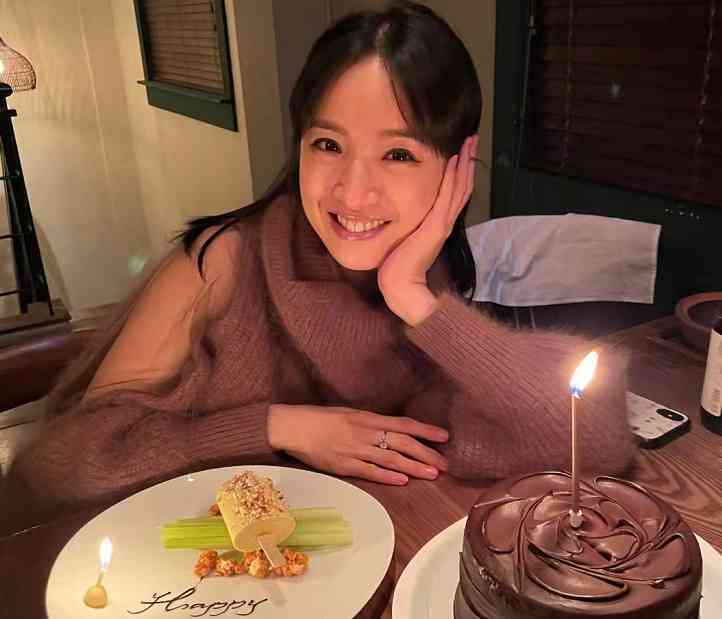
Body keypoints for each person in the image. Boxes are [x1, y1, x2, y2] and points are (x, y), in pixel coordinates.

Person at [7, 1, 634, 524]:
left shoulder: (425, 276)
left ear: (457, 168)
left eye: (398, 155)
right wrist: (279, 427)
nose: (352, 193)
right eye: (328, 144)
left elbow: (595, 438)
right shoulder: (220, 262)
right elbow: (62, 464)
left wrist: (413, 297)